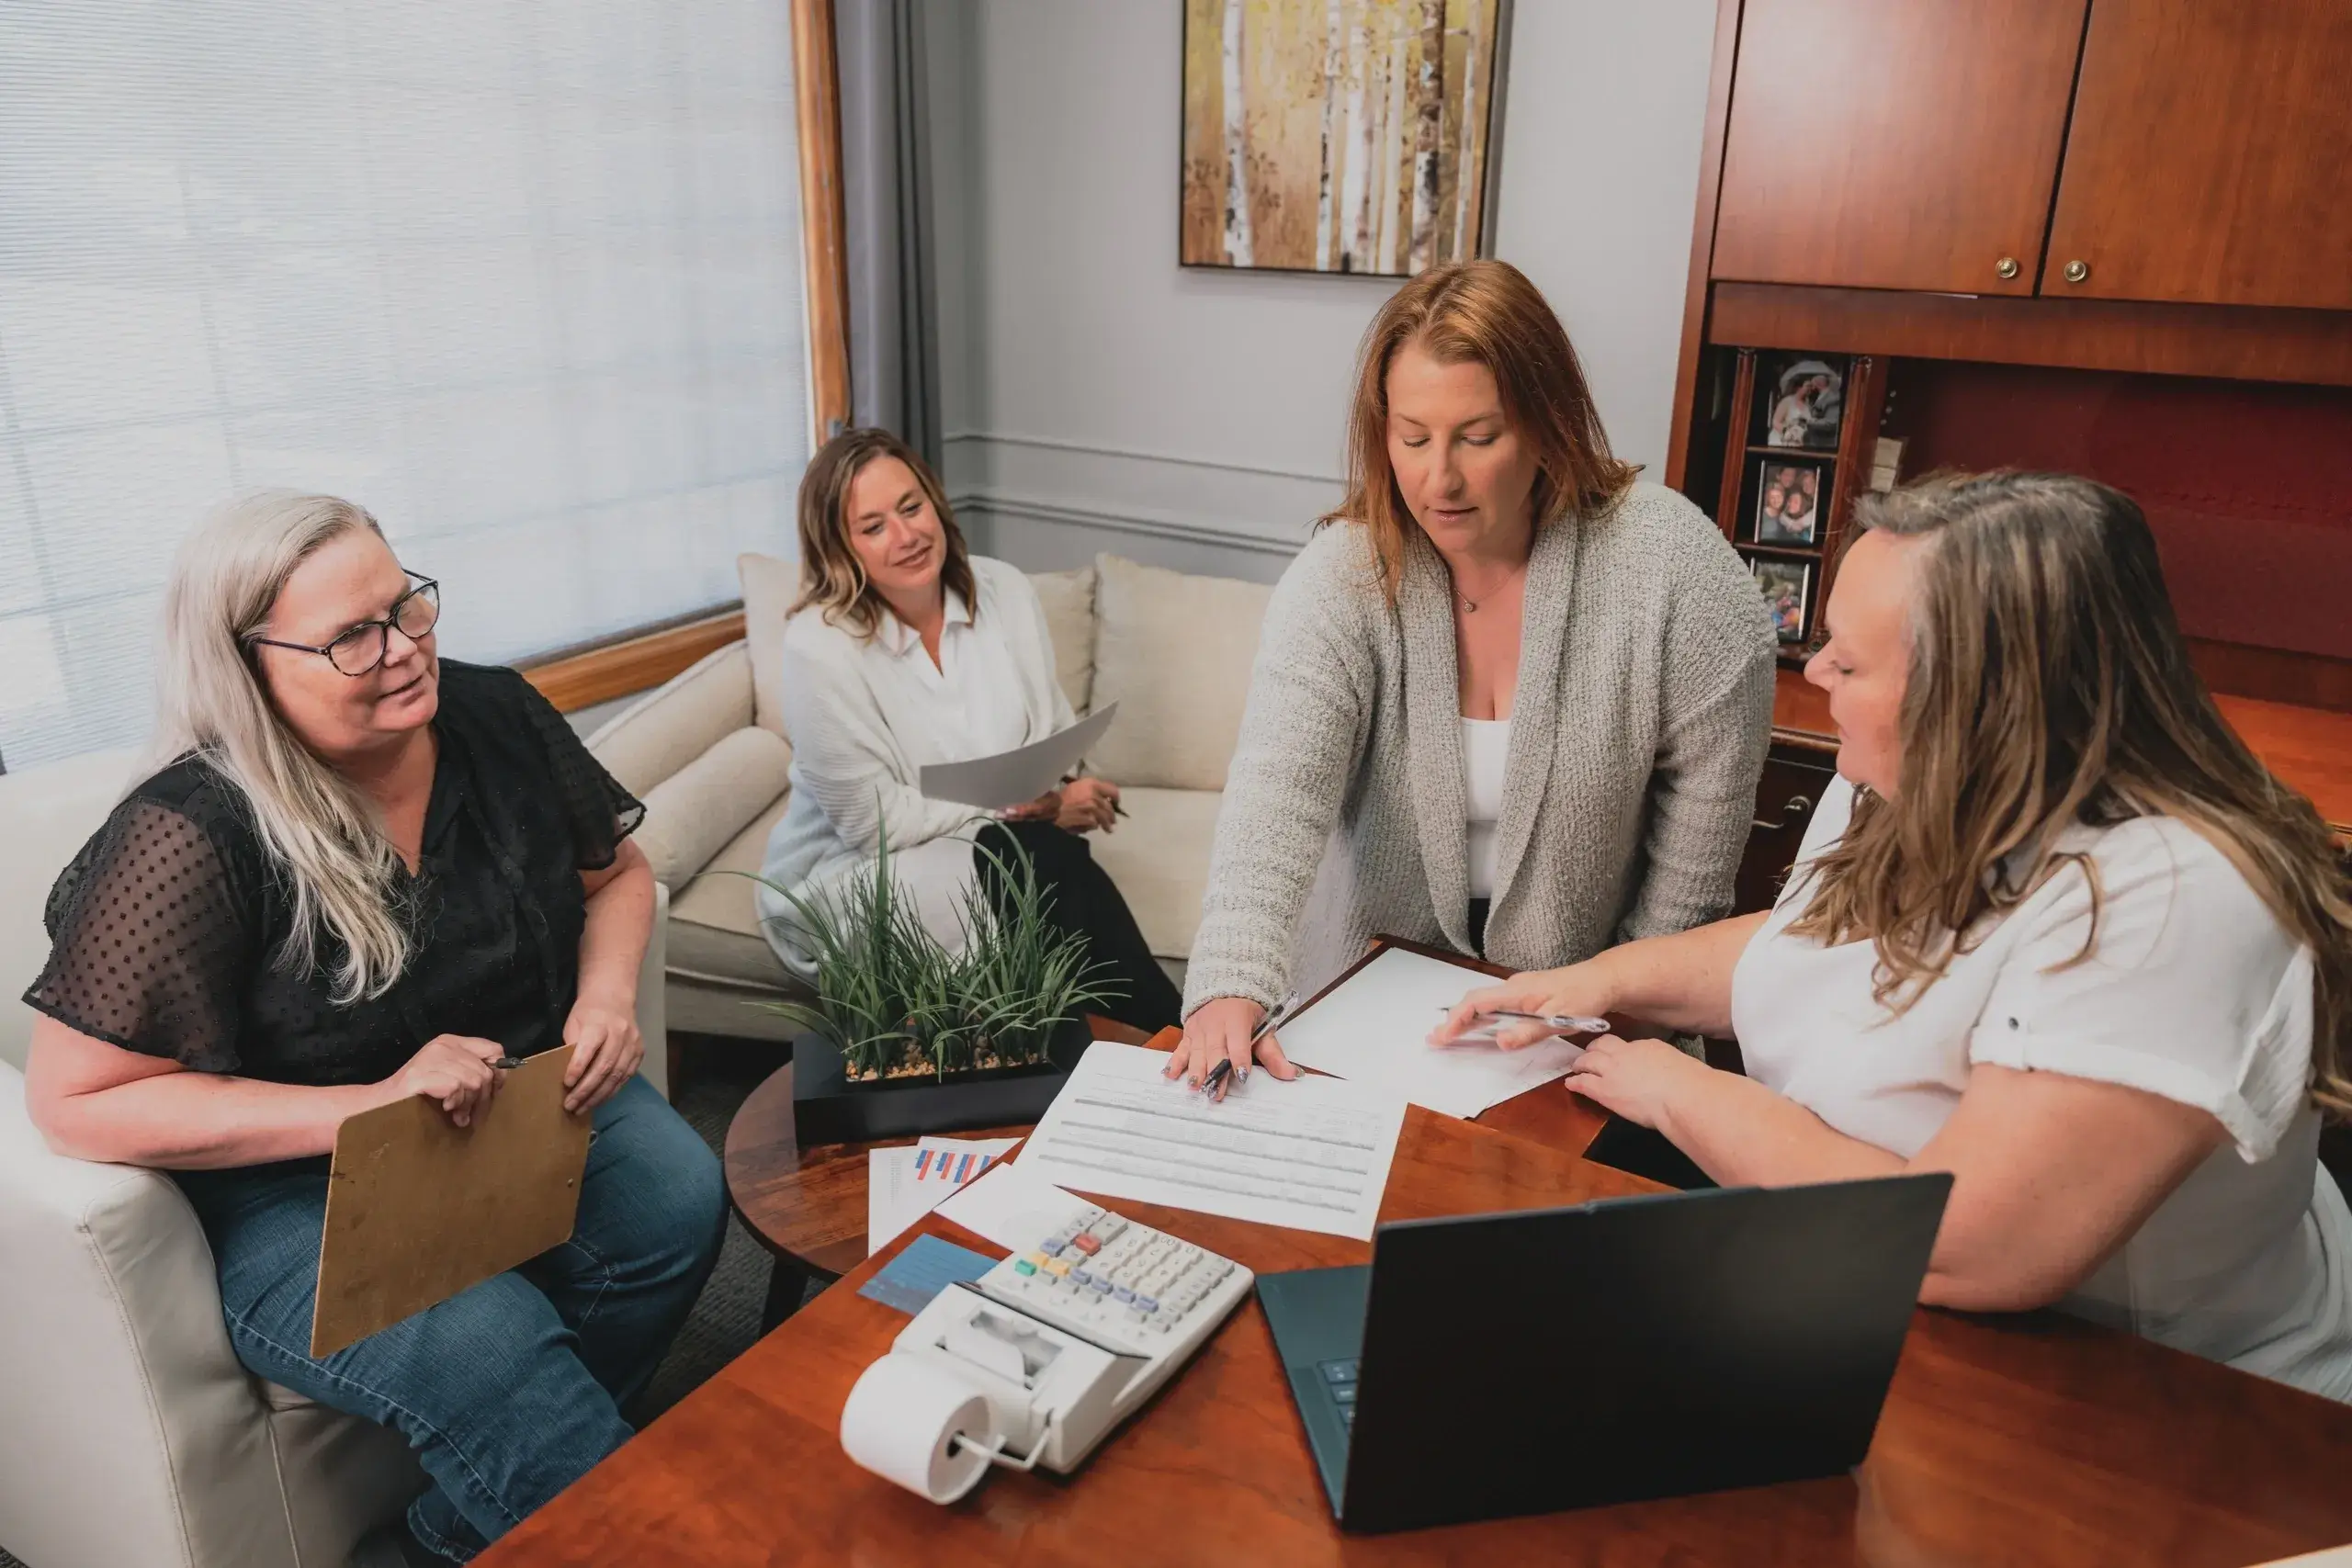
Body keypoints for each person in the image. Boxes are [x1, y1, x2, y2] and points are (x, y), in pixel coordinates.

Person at [1439, 472, 2352, 1400]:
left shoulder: (2179, 901)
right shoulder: (1895, 772)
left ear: (1976, 697)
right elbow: (1813, 944)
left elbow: (1959, 1248)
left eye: (1850, 658)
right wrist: (1599, 979)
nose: (1815, 672)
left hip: (2152, 1397)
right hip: (1853, 1285)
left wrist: (1678, 1094)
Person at [20, 493, 727, 1560]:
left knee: (677, 1200)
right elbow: (73, 1100)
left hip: (504, 1103)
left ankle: (457, 1533)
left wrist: (606, 999)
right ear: (247, 665)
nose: (403, 651)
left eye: (406, 607)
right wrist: (368, 1104)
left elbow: (618, 872)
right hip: (289, 1189)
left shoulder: (491, 716)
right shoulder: (191, 833)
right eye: (353, 635)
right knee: (491, 1350)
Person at [1168, 260, 1778, 1089]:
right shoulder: (1342, 576)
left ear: (1547, 425)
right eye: (1411, 437)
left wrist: (1608, 1033)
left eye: (1478, 437)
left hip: (1592, 1035)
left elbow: (1688, 895)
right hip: (1361, 1018)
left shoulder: (1678, 577)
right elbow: (1275, 797)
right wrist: (1230, 982)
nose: (1437, 478)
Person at [754, 428, 1182, 1033]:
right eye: (872, 526)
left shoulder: (1002, 589)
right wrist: (1040, 811)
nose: (905, 536)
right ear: (839, 549)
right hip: (860, 874)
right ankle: (1174, 1038)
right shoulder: (818, 649)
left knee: (1042, 868)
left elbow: (1049, 733)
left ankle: (1134, 1056)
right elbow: (876, 826)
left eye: (911, 506)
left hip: (1007, 849)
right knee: (1039, 862)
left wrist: (1057, 791)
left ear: (935, 501)